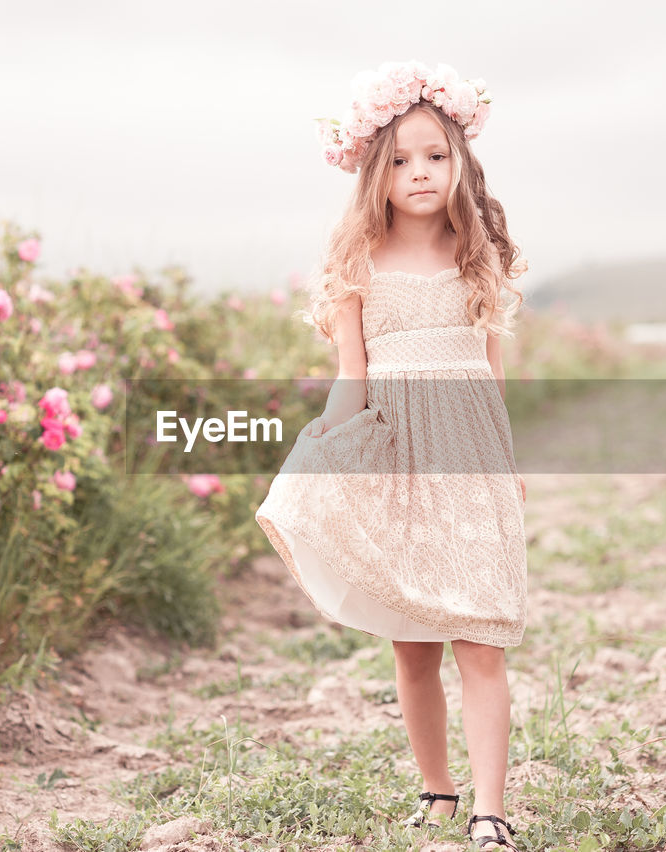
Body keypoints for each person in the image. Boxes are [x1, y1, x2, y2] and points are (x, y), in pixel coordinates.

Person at [255, 60, 528, 851]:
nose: (419, 173)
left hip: (470, 457)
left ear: (460, 164)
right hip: (399, 459)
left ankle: (490, 809)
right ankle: (438, 791)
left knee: (481, 636)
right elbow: (352, 377)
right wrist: (322, 456)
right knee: (415, 645)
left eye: (436, 157)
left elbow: (491, 370)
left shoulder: (477, 256)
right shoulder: (357, 267)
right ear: (376, 170)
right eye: (402, 159)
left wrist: (509, 468)